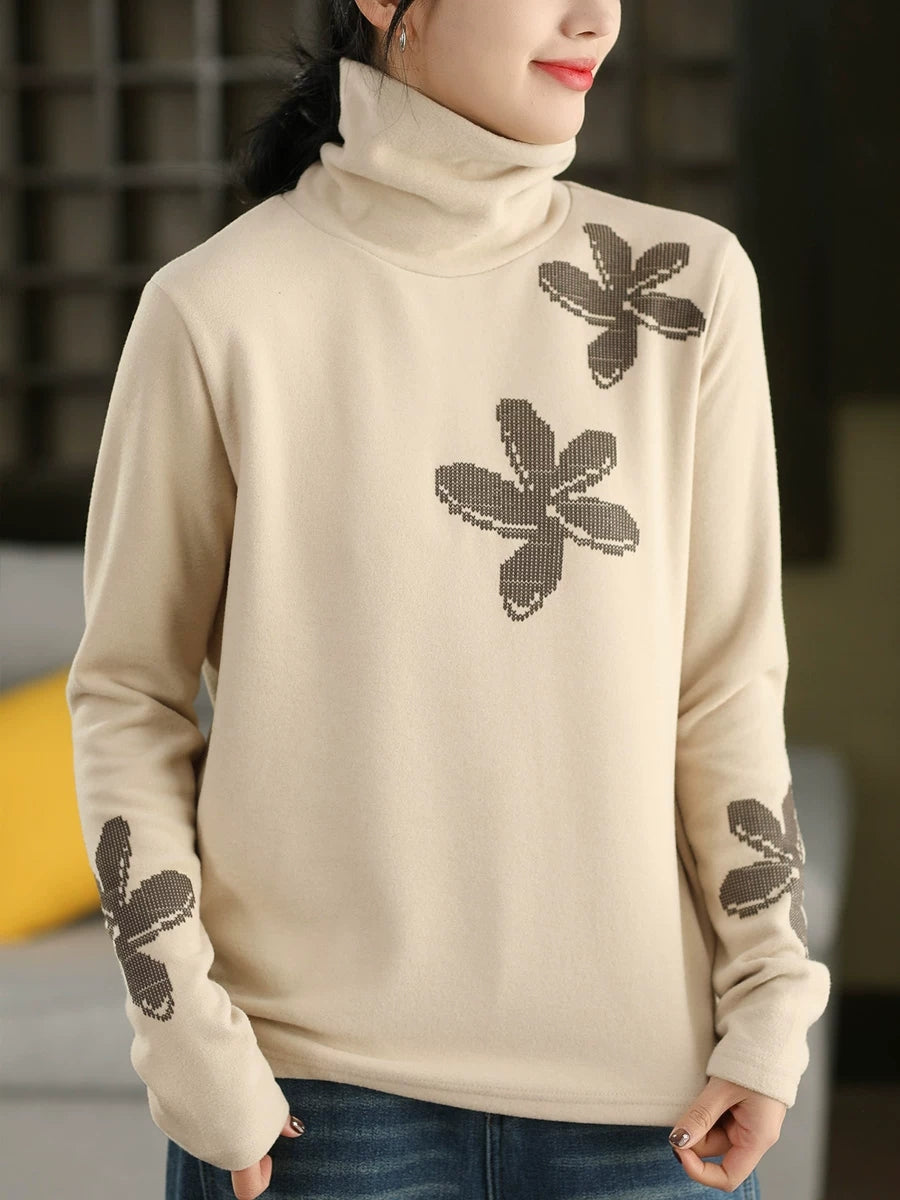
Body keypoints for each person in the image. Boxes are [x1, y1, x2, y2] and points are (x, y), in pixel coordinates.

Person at [66, 2, 831, 1198]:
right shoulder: (219, 307)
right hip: (308, 1105)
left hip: (652, 1112)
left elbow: (726, 686)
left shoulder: (685, 289)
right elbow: (128, 698)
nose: (595, 18)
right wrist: (189, 1045)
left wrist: (772, 995)